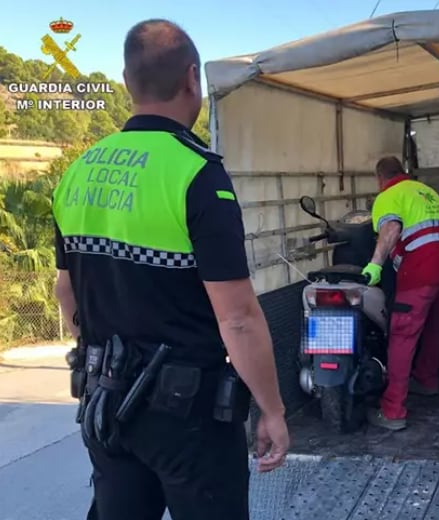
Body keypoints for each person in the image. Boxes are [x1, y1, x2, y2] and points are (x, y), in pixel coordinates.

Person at [52, 19, 289, 520]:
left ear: (125, 81)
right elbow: (239, 318)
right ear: (191, 79)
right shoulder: (198, 174)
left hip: (106, 405)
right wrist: (272, 408)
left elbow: (65, 292)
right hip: (189, 418)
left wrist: (96, 348)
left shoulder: (77, 172)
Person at [362, 156, 439, 431]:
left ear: (379, 179)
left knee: (402, 334)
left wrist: (375, 264)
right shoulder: (426, 191)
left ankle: (393, 411)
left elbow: (391, 228)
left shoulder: (388, 196)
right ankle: (427, 380)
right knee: (434, 324)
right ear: (404, 172)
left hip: (422, 266)